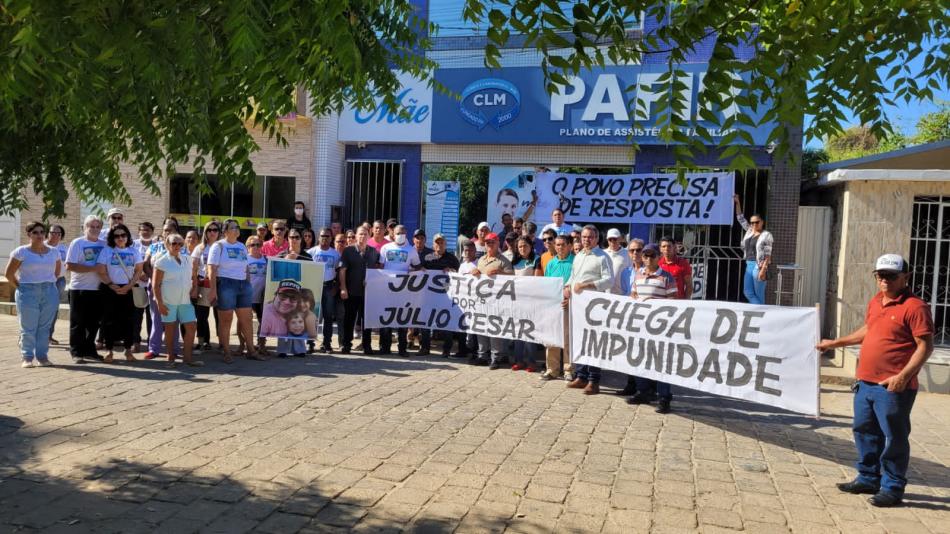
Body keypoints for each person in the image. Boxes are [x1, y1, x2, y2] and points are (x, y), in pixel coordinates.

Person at [816, 254, 934, 508]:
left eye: (891, 276)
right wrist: (835, 343)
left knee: (894, 437)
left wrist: (904, 376)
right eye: (880, 275)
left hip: (893, 387)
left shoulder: (915, 307)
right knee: (864, 431)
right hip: (865, 382)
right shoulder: (877, 301)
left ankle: (892, 487)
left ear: (905, 277)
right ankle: (868, 477)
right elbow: (868, 330)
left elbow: (925, 346)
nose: (884, 281)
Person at [626, 243, 678, 413]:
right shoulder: (638, 276)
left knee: (661, 361)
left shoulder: (667, 277)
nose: (648, 258)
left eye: (652, 255)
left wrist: (653, 304)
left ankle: (664, 397)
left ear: (658, 257)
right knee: (639, 357)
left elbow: (673, 300)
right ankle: (643, 391)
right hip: (640, 326)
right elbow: (633, 295)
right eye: (645, 255)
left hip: (660, 327)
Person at [564, 225, 614, 394]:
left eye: (590, 237)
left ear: (596, 239)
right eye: (584, 237)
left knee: (593, 343)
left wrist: (587, 285)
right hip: (577, 306)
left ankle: (594, 380)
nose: (586, 240)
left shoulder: (602, 257)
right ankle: (581, 375)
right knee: (579, 341)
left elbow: (609, 280)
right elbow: (573, 276)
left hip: (594, 307)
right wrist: (567, 286)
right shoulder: (578, 256)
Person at [207, 219, 263, 363]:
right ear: (225, 231)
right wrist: (213, 290)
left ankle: (251, 350)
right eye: (233, 227)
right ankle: (226, 352)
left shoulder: (242, 246)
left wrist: (248, 285)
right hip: (225, 283)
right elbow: (211, 268)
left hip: (243, 285)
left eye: (237, 227)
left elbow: (246, 268)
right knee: (226, 320)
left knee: (247, 320)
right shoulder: (218, 246)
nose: (237, 229)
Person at [6, 222, 61, 367]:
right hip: (27, 291)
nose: (39, 235)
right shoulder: (21, 252)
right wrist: (22, 288)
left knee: (45, 327)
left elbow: (56, 272)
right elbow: (9, 274)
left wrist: (49, 283)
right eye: (35, 232)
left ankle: (42, 356)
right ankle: (27, 357)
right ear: (29, 234)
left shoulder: (54, 252)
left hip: (49, 291)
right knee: (28, 327)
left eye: (42, 232)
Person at [152, 233, 203, 367]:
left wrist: (195, 287)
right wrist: (159, 303)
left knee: (191, 327)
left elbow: (194, 276)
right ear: (167, 244)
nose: (177, 246)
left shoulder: (187, 259)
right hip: (168, 300)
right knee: (170, 330)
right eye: (174, 243)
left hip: (185, 300)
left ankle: (188, 358)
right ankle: (170, 358)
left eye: (180, 243)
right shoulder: (162, 261)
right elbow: (155, 285)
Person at [96, 223, 144, 363]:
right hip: (110, 289)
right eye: (116, 236)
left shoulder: (134, 251)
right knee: (109, 321)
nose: (120, 238)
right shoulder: (107, 251)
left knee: (129, 321)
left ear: (127, 236)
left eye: (123, 235)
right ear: (112, 238)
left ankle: (128, 350)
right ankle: (109, 351)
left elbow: (138, 270)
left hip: (129, 289)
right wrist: (112, 285)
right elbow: (101, 270)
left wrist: (129, 285)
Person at [66, 215, 105, 363]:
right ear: (85, 228)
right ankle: (77, 352)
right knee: (78, 323)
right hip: (79, 289)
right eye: (91, 226)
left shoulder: (104, 244)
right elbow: (69, 265)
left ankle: (90, 350)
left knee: (94, 324)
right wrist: (94, 268)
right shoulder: (77, 243)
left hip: (99, 290)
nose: (95, 229)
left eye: (97, 227)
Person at [471, 233, 514, 369]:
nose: (490, 244)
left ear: (497, 243)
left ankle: (496, 357)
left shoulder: (503, 261)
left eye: (492, 242)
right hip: (482, 300)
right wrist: (475, 272)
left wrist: (501, 273)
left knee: (494, 329)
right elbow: (478, 275)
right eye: (488, 242)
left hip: (497, 301)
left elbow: (513, 278)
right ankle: (482, 355)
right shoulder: (481, 260)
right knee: (481, 327)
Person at [378, 224, 421, 355]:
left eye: (402, 233)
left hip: (404, 290)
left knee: (402, 319)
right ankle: (385, 347)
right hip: (387, 289)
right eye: (397, 233)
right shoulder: (385, 248)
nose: (400, 235)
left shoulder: (411, 250)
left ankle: (402, 348)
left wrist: (414, 271)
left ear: (406, 234)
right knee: (386, 318)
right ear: (393, 234)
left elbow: (418, 267)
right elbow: (380, 266)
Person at [420, 233, 463, 357]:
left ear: (445, 244)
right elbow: (420, 272)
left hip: (446, 296)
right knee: (425, 322)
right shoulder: (427, 257)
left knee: (447, 322)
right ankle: (425, 348)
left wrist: (453, 271)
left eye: (441, 242)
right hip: (429, 296)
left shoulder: (452, 258)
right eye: (437, 242)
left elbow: (460, 275)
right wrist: (420, 270)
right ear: (433, 244)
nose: (439, 244)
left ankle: (446, 349)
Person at [339, 226, 381, 355]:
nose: (362, 237)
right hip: (351, 291)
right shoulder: (348, 251)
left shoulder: (374, 252)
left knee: (366, 321)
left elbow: (379, 270)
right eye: (360, 234)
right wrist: (343, 288)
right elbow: (342, 270)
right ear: (356, 236)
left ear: (369, 236)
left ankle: (367, 345)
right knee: (349, 319)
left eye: (365, 234)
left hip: (368, 294)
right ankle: (346, 345)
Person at [142, 221, 181, 359]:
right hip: (155, 287)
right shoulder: (154, 247)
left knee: (173, 319)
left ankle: (174, 349)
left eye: (171, 230)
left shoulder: (181, 247)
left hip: (174, 288)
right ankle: (154, 348)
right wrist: (153, 279)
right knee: (156, 318)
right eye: (165, 230)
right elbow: (146, 264)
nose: (167, 232)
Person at [615, 238, 646, 396]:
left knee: (643, 352)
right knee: (630, 351)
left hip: (645, 317)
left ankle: (646, 388)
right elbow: (623, 293)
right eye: (632, 250)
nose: (635, 253)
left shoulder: (650, 271)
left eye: (638, 250)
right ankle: (631, 384)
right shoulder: (626, 272)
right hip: (629, 316)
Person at [541, 235, 574, 380]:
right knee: (551, 337)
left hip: (568, 305)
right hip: (552, 306)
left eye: (563, 245)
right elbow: (547, 284)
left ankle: (568, 370)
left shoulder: (575, 262)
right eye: (557, 245)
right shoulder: (551, 263)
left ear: (569, 246)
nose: (560, 247)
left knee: (567, 339)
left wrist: (571, 298)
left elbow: (577, 283)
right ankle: (552, 369)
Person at [734, 195, 773, 304]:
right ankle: (761, 311)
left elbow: (768, 254)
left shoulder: (766, 235)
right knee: (748, 292)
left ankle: (761, 317)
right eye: (752, 222)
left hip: (759, 265)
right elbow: (740, 218)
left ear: (762, 222)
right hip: (749, 265)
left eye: (757, 222)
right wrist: (737, 202)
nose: (754, 224)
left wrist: (763, 269)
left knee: (759, 294)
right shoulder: (750, 231)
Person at [308, 227, 341, 353]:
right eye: (322, 236)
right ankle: (310, 343)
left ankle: (326, 343)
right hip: (314, 286)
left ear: (331, 238)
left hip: (329, 287)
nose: (324, 238)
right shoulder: (311, 252)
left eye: (327, 236)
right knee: (312, 316)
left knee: (328, 317)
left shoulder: (336, 254)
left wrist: (336, 287)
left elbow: (339, 273)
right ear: (318, 237)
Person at [510, 236, 541, 372]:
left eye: (525, 246)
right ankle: (519, 360)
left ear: (531, 246)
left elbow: (537, 279)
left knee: (529, 332)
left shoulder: (536, 259)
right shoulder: (514, 261)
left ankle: (531, 362)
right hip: (516, 301)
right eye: (520, 246)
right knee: (517, 331)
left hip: (530, 301)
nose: (523, 249)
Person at [192, 221, 221, 352]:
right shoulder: (200, 248)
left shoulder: (223, 246)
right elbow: (194, 268)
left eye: (215, 230)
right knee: (202, 315)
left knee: (219, 315)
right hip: (204, 283)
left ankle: (222, 343)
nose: (212, 232)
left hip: (220, 282)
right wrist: (194, 286)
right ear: (205, 232)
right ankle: (202, 342)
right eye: (209, 230)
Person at [410, 229, 434, 353]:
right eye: (417, 238)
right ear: (413, 239)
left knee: (424, 318)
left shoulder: (431, 253)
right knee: (409, 316)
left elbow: (437, 268)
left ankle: (425, 346)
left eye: (421, 238)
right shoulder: (408, 251)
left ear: (425, 239)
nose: (419, 240)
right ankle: (409, 341)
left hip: (426, 292)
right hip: (410, 291)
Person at [246, 235, 269, 355]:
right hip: (247, 296)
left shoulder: (266, 259)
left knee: (263, 322)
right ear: (247, 247)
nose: (255, 247)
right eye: (252, 245)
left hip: (261, 297)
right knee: (245, 322)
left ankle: (261, 345)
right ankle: (244, 345)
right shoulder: (245, 259)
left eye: (258, 244)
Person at [46, 224, 67, 345]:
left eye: (58, 233)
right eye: (52, 232)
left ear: (61, 236)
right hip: (44, 281)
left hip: (59, 281)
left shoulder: (64, 248)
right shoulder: (41, 246)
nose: (55, 235)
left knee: (54, 308)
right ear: (48, 233)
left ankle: (49, 336)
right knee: (40, 308)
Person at [604, 228, 631, 295]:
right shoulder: (603, 253)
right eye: (610, 239)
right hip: (606, 293)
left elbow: (631, 272)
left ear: (619, 239)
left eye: (615, 239)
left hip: (622, 294)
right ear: (607, 240)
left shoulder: (627, 253)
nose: (612, 241)